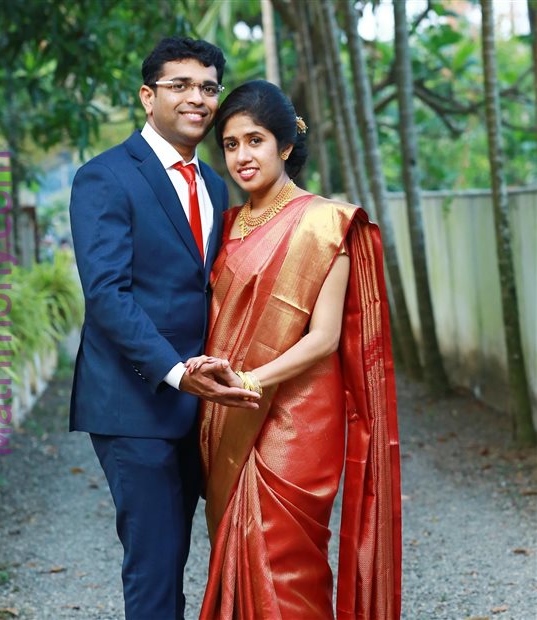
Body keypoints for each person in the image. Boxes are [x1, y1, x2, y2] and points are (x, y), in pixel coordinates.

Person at [186, 80, 402, 619]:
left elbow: (324, 338)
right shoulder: (227, 227)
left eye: (254, 140)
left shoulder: (326, 224)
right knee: (233, 545)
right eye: (230, 144)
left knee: (287, 560)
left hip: (298, 416)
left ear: (284, 145)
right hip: (228, 409)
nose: (241, 156)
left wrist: (252, 380)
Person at [68, 38, 259, 620]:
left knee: (181, 555)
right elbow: (107, 294)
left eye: (208, 87)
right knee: (154, 565)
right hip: (136, 401)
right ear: (148, 97)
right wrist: (175, 373)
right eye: (180, 85)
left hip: (201, 406)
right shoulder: (104, 178)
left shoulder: (216, 184)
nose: (196, 98)